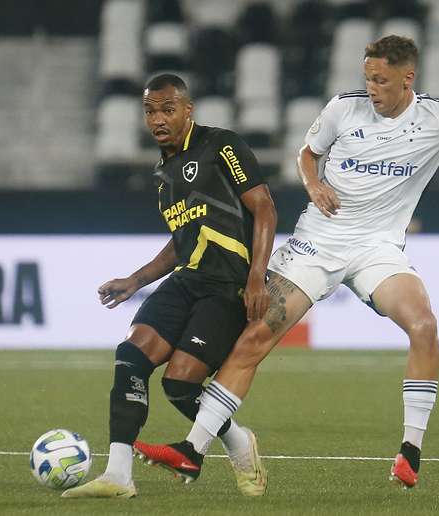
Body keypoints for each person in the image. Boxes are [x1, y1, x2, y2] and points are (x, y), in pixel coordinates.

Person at [134, 35, 439, 489]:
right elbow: (306, 154)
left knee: (424, 326)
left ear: (407, 78)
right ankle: (192, 451)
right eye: (368, 78)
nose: (372, 88)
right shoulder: (343, 107)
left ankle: (410, 452)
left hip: (378, 249)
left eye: (381, 80)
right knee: (254, 338)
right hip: (315, 245)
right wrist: (313, 184)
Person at [62, 73, 277, 499]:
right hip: (186, 281)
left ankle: (238, 440)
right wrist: (136, 280)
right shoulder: (163, 172)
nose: (157, 118)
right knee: (130, 355)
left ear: (187, 109)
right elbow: (182, 243)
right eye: (149, 111)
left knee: (179, 385)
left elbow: (265, 207)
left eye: (167, 108)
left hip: (227, 286)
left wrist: (256, 276)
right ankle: (118, 475)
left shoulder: (222, 145)